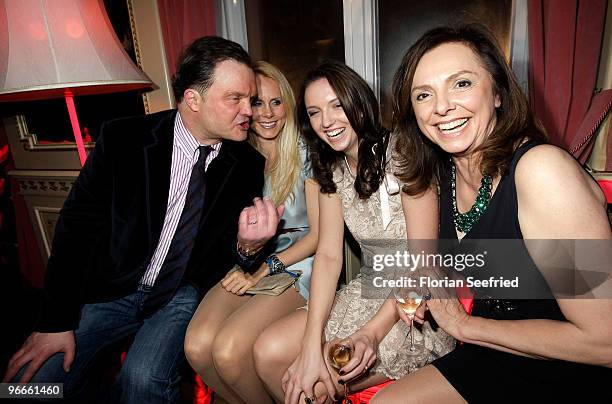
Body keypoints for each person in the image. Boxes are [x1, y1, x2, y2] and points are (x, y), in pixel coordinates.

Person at [2, 37, 282, 403]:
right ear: (193, 100)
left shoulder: (245, 165)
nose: (251, 110)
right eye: (236, 99)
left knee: (143, 378)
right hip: (110, 290)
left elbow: (225, 260)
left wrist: (248, 247)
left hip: (180, 294)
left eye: (251, 98)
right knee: (30, 386)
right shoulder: (124, 139)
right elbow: (76, 230)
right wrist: (55, 322)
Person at [370, 24, 612, 403]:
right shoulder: (446, 172)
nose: (441, 106)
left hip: (570, 365)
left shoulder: (542, 173)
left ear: (498, 92)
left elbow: (605, 343)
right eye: (424, 94)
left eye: (461, 83)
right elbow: (453, 260)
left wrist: (465, 325)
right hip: (496, 348)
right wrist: (421, 282)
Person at [253, 60, 454, 404]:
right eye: (315, 113)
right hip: (367, 287)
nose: (327, 121)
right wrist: (309, 344)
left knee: (315, 383)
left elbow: (424, 265)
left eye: (336, 105)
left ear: (359, 101)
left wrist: (366, 335)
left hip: (413, 298)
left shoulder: (404, 154)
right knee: (266, 351)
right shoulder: (332, 167)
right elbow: (329, 256)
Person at [183, 61, 319, 403]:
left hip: (298, 266)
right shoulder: (236, 157)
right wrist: (248, 261)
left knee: (228, 351)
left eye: (277, 102)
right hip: (250, 263)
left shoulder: (309, 154)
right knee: (197, 346)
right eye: (258, 103)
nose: (268, 113)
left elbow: (318, 237)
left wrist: (261, 270)